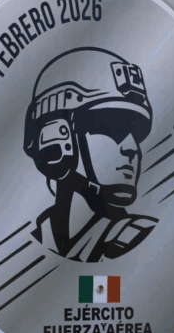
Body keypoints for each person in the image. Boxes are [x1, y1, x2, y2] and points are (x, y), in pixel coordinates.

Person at [23, 47, 157, 262]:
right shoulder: (37, 240)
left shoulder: (135, 239)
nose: (132, 148)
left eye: (135, 134)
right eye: (113, 130)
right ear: (57, 136)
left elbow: (102, 292)